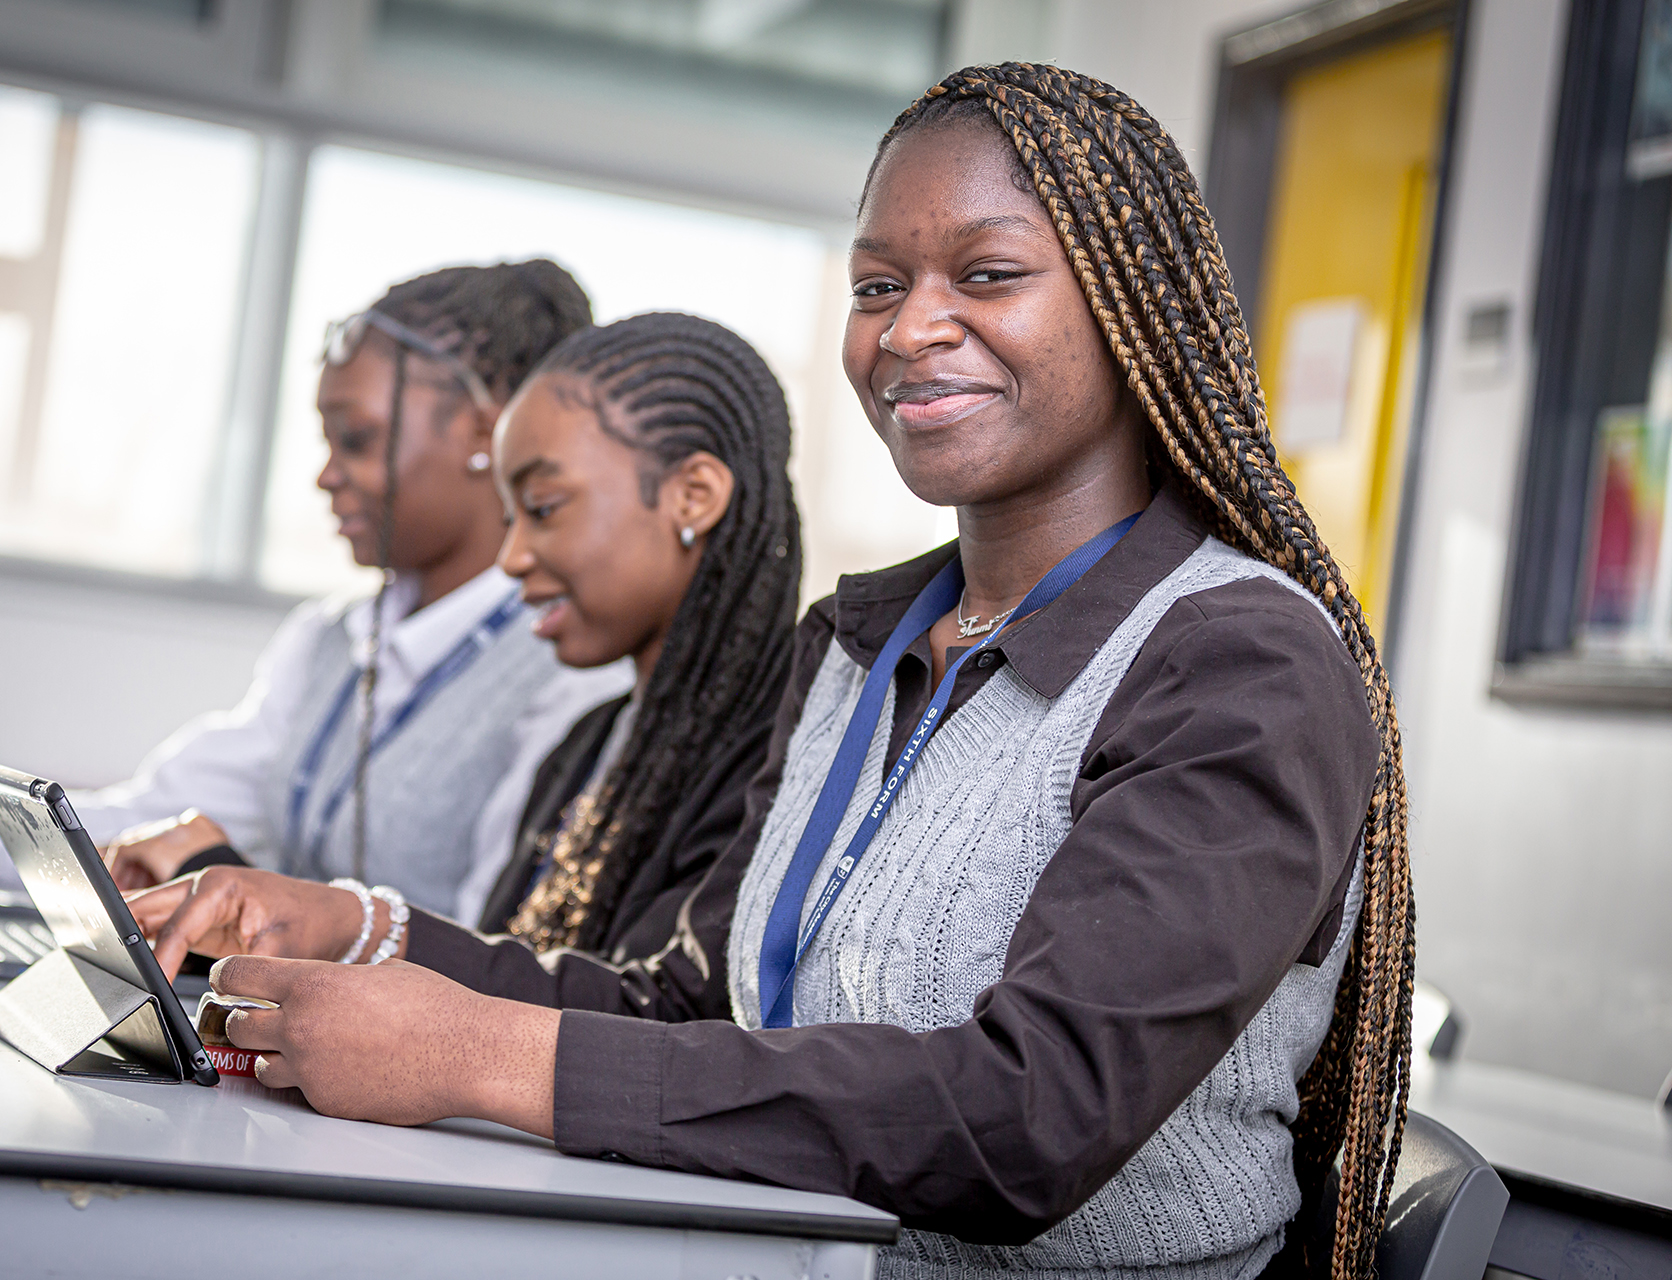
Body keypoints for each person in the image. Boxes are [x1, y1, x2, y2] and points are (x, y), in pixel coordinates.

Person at [138, 65, 1414, 1280]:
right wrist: (362, 930)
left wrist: (487, 1055)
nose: (912, 328)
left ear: (1130, 304)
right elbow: (697, 1006)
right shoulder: (863, 645)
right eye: (875, 286)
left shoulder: (1238, 660)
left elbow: (1029, 1114)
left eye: (989, 273)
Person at [0, 261, 629, 922]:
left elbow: (499, 942)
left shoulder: (567, 669)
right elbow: (154, 816)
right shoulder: (332, 642)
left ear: (488, 433)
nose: (326, 473)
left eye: (357, 438)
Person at [128, 311, 803, 972]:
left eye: (542, 510)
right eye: (511, 520)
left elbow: (648, 1024)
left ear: (693, 495)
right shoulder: (593, 744)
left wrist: (343, 925)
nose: (511, 558)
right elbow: (502, 972)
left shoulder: (778, 759)